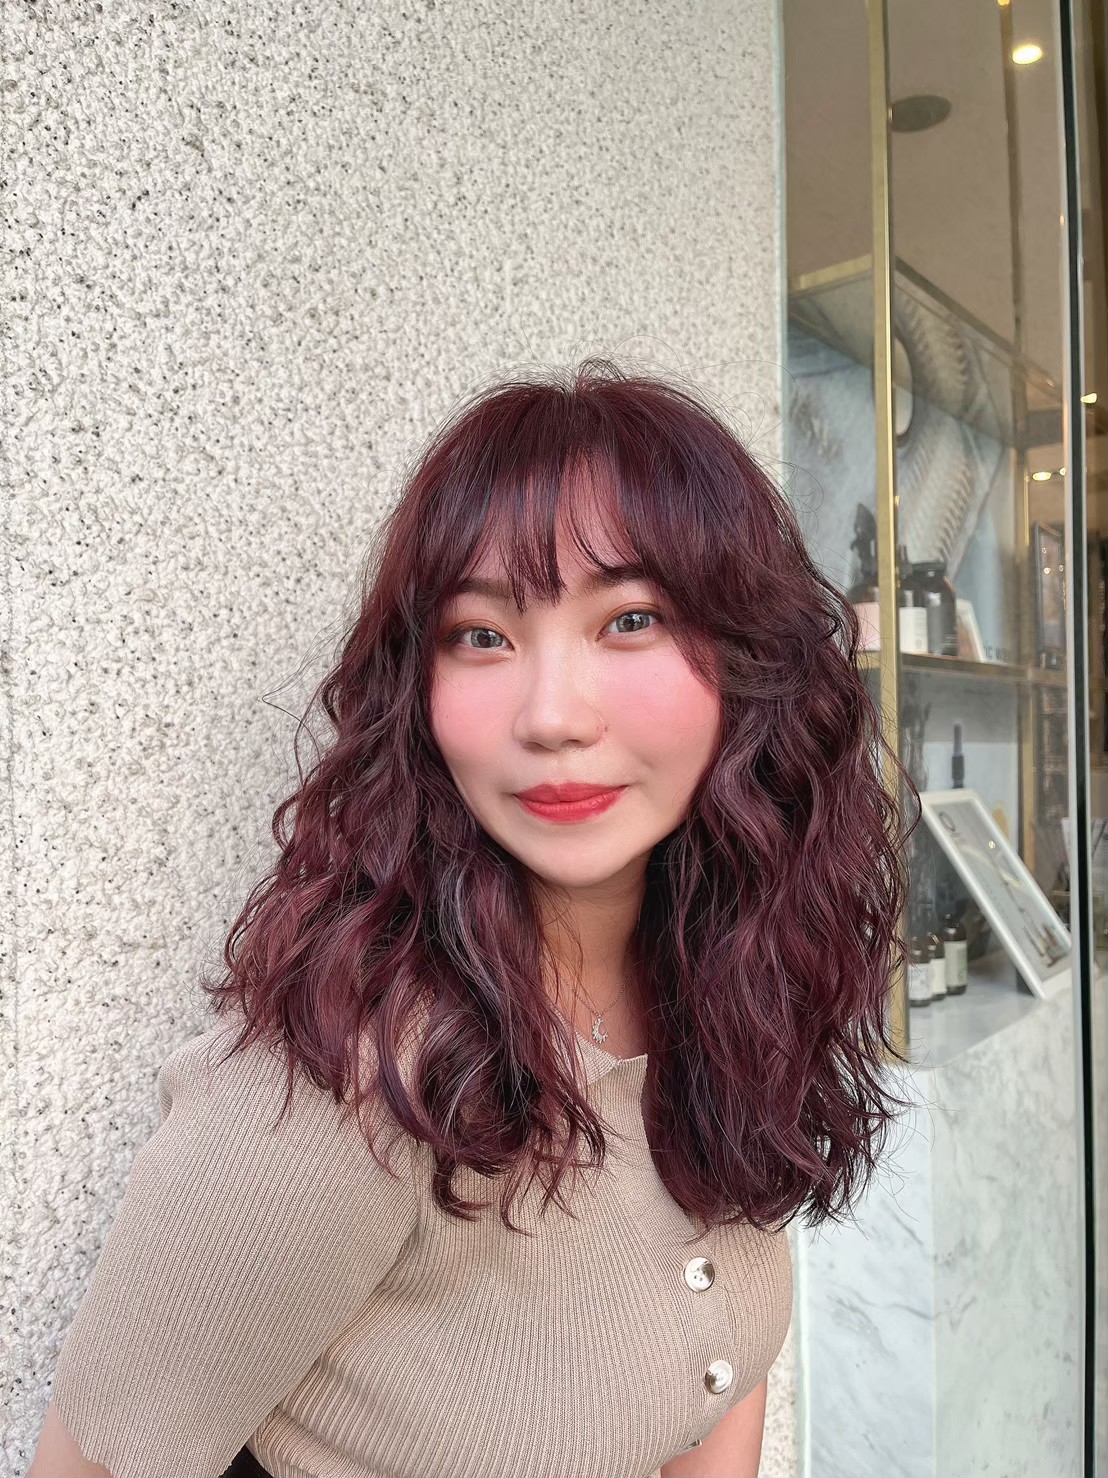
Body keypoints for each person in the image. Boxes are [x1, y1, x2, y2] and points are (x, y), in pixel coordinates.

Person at [29, 358, 919, 1478]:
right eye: (482, 635)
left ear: (749, 664)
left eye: (630, 618)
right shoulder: (337, 1086)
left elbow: (721, 1395)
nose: (551, 716)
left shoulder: (727, 992)